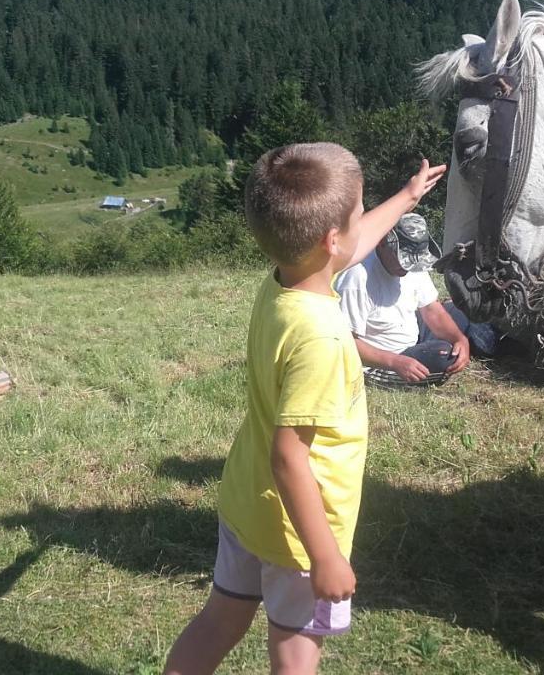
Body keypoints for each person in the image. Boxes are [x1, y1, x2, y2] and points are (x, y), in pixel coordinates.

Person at [162, 144, 446, 674]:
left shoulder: (285, 282)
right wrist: (324, 557)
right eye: (359, 212)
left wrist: (405, 199)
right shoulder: (319, 336)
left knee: (220, 619)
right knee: (296, 652)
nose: (362, 223)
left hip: (247, 504)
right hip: (297, 535)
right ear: (331, 240)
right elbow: (289, 458)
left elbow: (349, 247)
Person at [336, 213, 497, 388]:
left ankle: (490, 343)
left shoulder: (413, 269)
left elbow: (431, 310)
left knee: (465, 311)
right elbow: (345, 342)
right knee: (443, 356)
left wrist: (459, 339)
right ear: (382, 242)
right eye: (402, 260)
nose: (407, 268)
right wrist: (394, 362)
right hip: (381, 362)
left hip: (412, 334)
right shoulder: (357, 277)